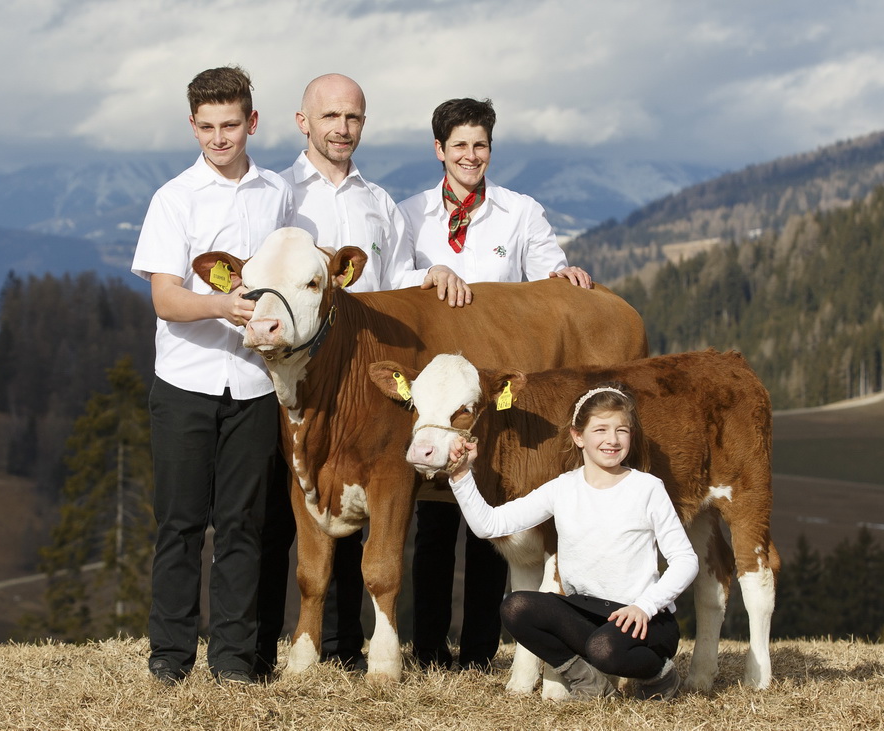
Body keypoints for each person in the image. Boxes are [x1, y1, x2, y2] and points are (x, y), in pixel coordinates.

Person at [253, 73, 471, 676]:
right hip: (299, 372)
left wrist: (434, 275)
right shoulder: (278, 196)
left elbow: (400, 283)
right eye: (329, 117)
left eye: (352, 118)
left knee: (364, 500)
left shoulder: (379, 204)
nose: (341, 128)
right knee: (291, 507)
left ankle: (349, 644)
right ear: (303, 123)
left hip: (363, 375)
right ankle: (266, 643)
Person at [397, 97, 592, 670]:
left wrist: (565, 275)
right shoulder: (409, 214)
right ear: (439, 150)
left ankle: (482, 649)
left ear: (490, 149)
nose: (471, 155)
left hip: (496, 398)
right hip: (437, 395)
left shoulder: (519, 212)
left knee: (494, 523)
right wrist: (424, 273)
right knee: (433, 524)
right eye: (459, 145)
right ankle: (429, 648)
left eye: (480, 145)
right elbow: (388, 284)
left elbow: (546, 276)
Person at [131, 65, 294, 686]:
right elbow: (166, 300)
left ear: (252, 122)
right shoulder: (174, 198)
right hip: (185, 383)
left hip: (256, 385)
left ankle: (233, 662)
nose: (220, 138)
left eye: (231, 125)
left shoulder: (277, 194)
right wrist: (224, 305)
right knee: (177, 525)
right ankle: (169, 657)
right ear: (192, 125)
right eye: (207, 127)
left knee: (243, 527)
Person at [445, 383, 699, 700]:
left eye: (622, 430)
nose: (612, 439)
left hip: (645, 619)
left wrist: (644, 607)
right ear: (578, 436)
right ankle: (587, 682)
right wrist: (461, 476)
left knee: (605, 649)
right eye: (601, 429)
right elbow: (490, 524)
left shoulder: (647, 488)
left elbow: (686, 560)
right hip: (586, 612)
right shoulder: (562, 489)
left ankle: (660, 675)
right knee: (516, 607)